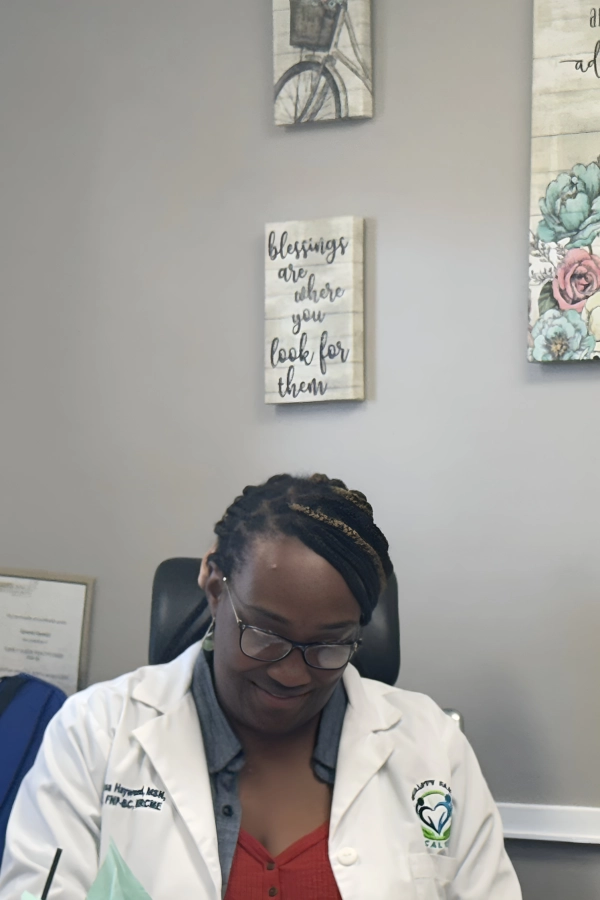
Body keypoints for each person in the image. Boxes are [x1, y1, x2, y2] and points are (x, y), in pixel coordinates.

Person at [0, 474, 522, 899]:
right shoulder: (94, 732)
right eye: (267, 634)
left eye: (328, 646)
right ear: (212, 585)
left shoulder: (431, 744)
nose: (291, 673)